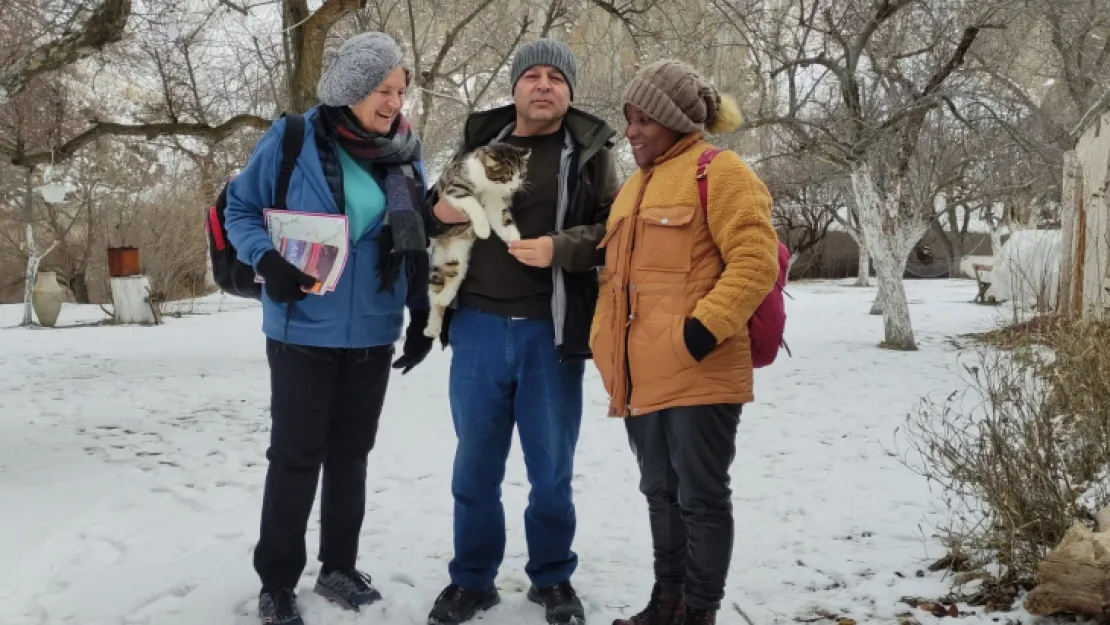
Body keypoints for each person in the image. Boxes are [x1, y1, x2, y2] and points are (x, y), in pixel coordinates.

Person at [223, 31, 434, 625]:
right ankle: (278, 582)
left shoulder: (405, 150)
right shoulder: (293, 139)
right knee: (294, 456)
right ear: (349, 89)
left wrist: (420, 311)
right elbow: (240, 209)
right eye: (381, 90)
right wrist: (266, 260)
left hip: (373, 330)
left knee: (351, 456)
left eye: (399, 90)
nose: (393, 102)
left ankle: (339, 566)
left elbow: (414, 236)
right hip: (302, 330)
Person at [420, 38, 621, 625]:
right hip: (479, 329)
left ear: (569, 91)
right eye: (531, 75)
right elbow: (435, 211)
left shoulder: (591, 153)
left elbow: (613, 229)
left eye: (555, 78)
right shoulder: (481, 143)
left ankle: (553, 579)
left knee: (551, 471)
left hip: (550, 334)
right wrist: (441, 211)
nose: (543, 85)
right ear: (513, 88)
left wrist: (559, 248)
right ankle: (472, 580)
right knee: (474, 469)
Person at [590, 60, 779, 625]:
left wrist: (699, 332)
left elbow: (755, 258)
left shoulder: (718, 172)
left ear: (674, 119)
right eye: (629, 118)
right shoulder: (633, 188)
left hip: (698, 370)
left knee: (700, 498)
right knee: (660, 494)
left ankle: (699, 613)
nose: (632, 130)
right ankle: (665, 604)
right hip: (640, 374)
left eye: (645, 118)